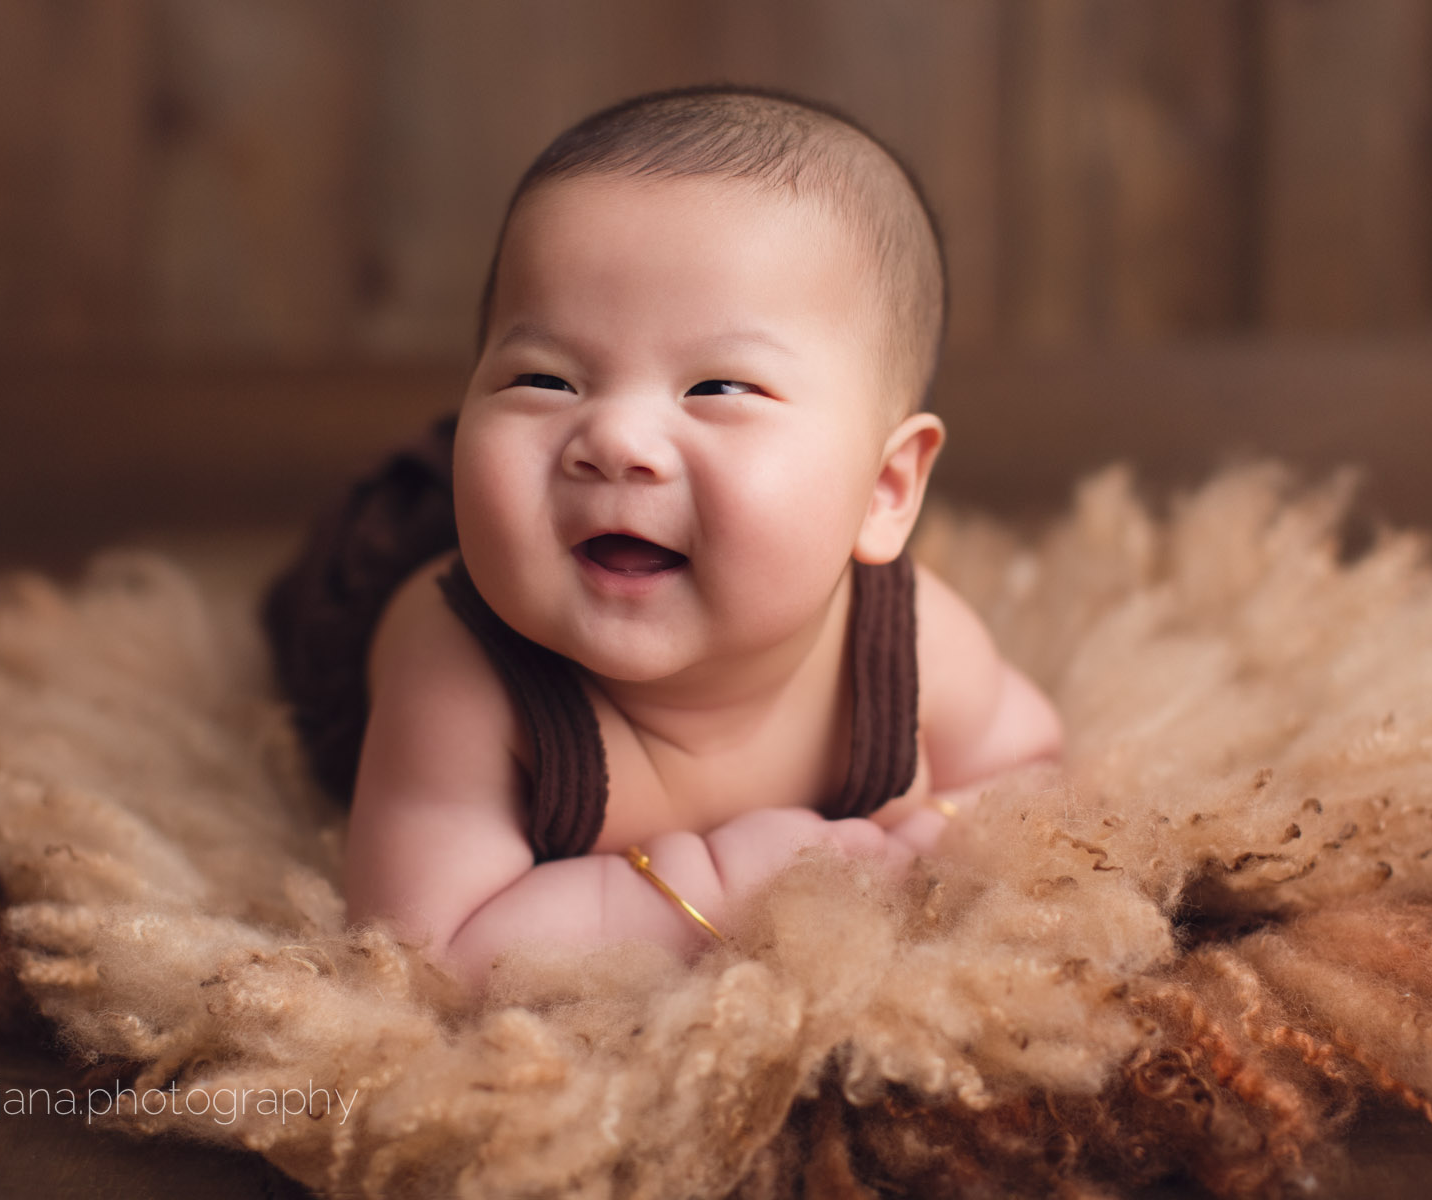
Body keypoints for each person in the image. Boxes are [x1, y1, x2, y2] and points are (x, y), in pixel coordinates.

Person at [263, 85, 1062, 990]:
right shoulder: (461, 679)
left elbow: (1029, 766)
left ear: (885, 489)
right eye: (544, 377)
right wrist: (719, 884)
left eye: (718, 389)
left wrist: (935, 840)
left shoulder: (910, 643)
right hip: (388, 562)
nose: (615, 439)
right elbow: (429, 949)